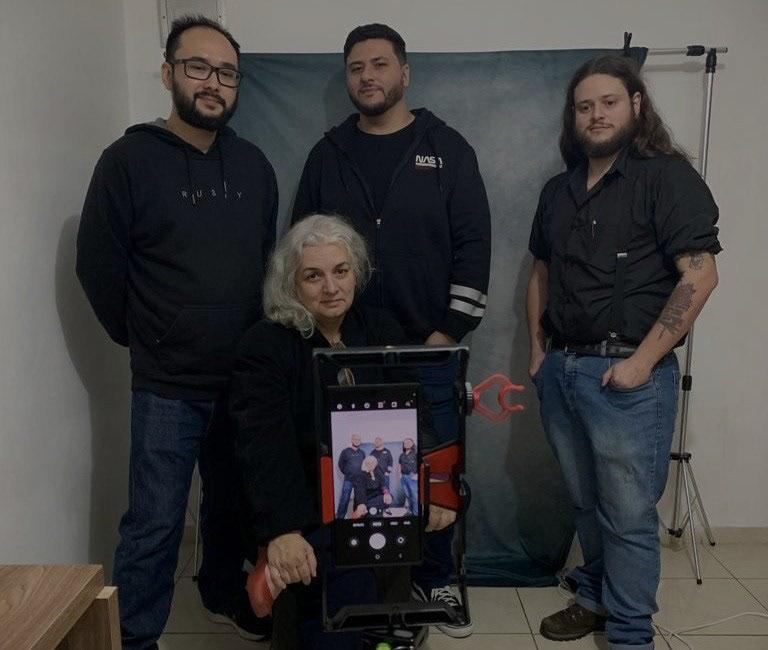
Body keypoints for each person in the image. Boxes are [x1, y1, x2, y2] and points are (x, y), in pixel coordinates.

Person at [76, 15, 277, 649]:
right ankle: (135, 639)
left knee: (231, 508)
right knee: (154, 525)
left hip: (242, 380)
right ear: (168, 74)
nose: (213, 82)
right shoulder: (126, 162)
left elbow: (266, 263)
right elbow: (97, 268)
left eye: (227, 73)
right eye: (198, 67)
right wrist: (147, 335)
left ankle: (221, 594)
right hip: (166, 384)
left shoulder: (254, 166)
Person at [293, 22, 490, 637]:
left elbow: (475, 245)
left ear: (404, 72)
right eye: (356, 67)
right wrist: (320, 337)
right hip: (345, 355)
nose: (368, 76)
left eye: (379, 64)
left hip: (428, 351)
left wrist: (447, 333)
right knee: (363, 478)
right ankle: (373, 592)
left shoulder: (447, 148)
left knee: (433, 471)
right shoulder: (327, 154)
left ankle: (435, 579)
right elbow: (301, 247)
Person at [527, 55, 721, 649]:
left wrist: (642, 362)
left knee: (628, 514)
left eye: (608, 102)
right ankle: (595, 598)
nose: (596, 114)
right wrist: (538, 353)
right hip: (562, 370)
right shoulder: (558, 191)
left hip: (628, 378)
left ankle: (631, 634)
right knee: (586, 503)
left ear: (635, 104)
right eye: (584, 106)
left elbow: (700, 274)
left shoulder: (666, 178)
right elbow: (541, 272)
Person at [230, 214, 456, 649]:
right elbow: (263, 448)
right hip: (306, 506)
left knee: (388, 576)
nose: (331, 287)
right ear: (291, 283)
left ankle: (387, 629)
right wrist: (282, 531)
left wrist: (436, 486)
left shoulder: (380, 329)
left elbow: (417, 415)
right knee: (340, 602)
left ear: (356, 273)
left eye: (341, 271)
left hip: (376, 499)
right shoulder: (267, 344)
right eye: (313, 276)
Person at [336, 433, 365, 518]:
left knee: (358, 500)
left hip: (359, 480)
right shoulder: (345, 451)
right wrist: (347, 473)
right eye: (355, 439)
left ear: (360, 441)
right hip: (348, 479)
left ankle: (356, 516)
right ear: (352, 440)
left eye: (358, 439)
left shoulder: (362, 453)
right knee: (344, 499)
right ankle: (340, 518)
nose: (357, 441)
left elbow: (364, 465)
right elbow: (340, 464)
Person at [398, 438, 419, 516]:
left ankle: (415, 514)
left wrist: (417, 475)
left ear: (413, 443)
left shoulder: (416, 454)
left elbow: (421, 464)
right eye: (405, 443)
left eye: (409, 442)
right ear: (403, 445)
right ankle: (410, 512)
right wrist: (400, 475)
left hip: (413, 478)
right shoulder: (401, 455)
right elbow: (399, 465)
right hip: (404, 478)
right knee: (408, 496)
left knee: (415, 497)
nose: (407, 443)